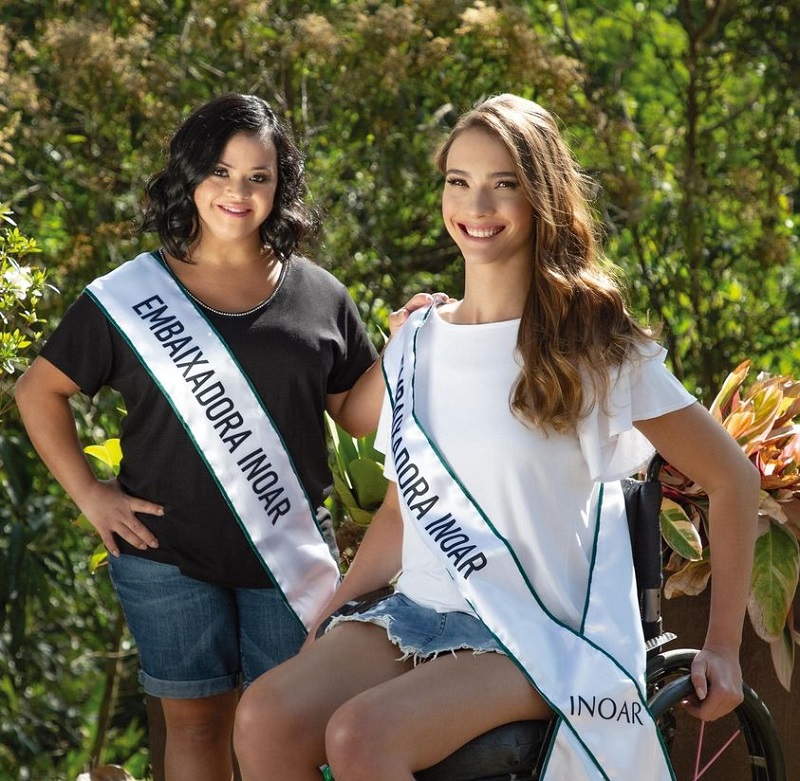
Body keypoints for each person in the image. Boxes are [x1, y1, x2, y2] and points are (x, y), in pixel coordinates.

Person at [231, 94, 760, 781]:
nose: (476, 205)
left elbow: (732, 477)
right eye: (460, 182)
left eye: (502, 184)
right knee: (264, 713)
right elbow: (401, 510)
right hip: (417, 615)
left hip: (537, 634)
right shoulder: (415, 342)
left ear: (541, 196)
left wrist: (723, 647)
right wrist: (326, 624)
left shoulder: (594, 345)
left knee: (361, 735)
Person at [14, 93, 436, 781]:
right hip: (165, 556)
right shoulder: (128, 295)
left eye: (258, 176)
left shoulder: (319, 294)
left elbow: (357, 415)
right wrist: (92, 497)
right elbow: (39, 390)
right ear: (189, 174)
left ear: (281, 185)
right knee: (196, 722)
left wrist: (400, 343)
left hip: (287, 557)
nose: (237, 192)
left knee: (289, 726)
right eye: (219, 171)